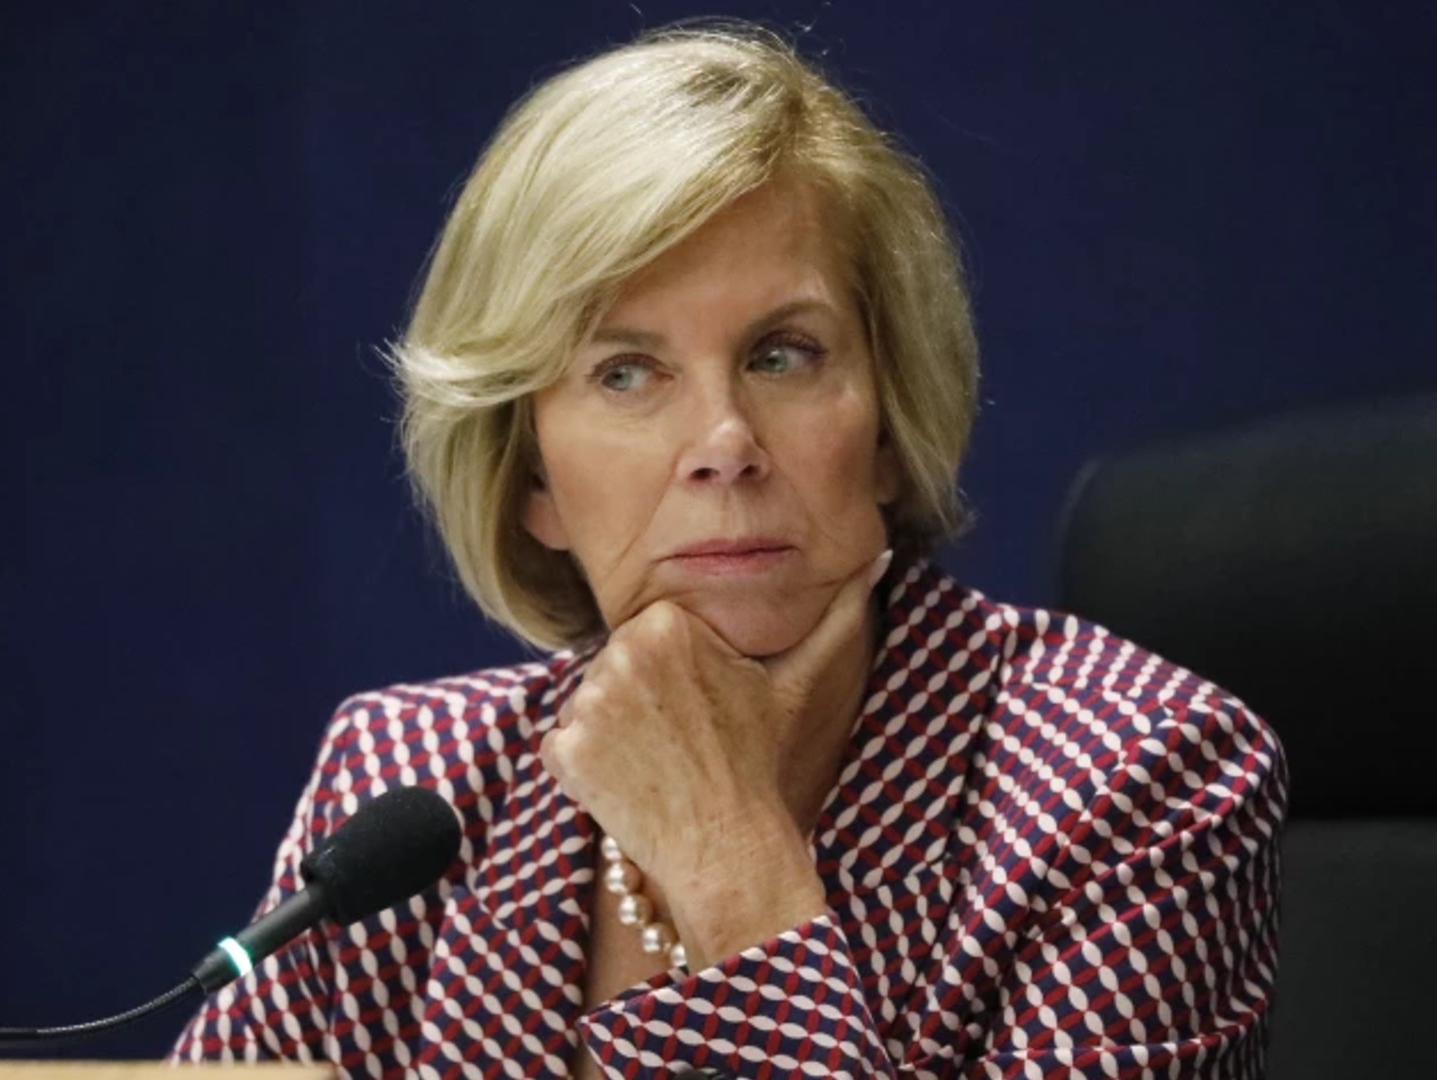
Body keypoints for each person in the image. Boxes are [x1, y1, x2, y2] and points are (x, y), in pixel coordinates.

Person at [173, 21, 1285, 1079]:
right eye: (625, 372)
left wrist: (725, 855)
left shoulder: (1134, 787)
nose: (725, 445)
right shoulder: (413, 784)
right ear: (532, 481)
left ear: (891, 430)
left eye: (783, 355)